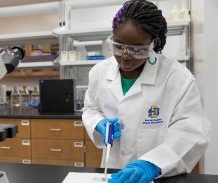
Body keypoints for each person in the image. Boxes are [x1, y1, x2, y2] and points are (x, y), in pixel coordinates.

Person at [82, 0, 211, 183]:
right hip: (113, 173)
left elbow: (192, 131)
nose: (126, 56)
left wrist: (153, 163)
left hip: (158, 176)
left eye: (137, 49)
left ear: (154, 43)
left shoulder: (177, 78)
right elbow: (91, 109)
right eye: (118, 46)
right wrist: (97, 123)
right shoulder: (99, 72)